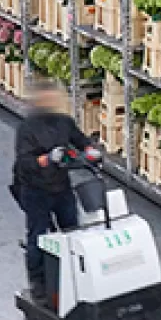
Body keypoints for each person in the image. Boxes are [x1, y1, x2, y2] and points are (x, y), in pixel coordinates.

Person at [13, 79, 99, 302]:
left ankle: (75, 277)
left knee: (73, 230)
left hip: (61, 187)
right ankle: (38, 284)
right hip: (35, 190)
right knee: (38, 236)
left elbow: (79, 139)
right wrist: (47, 159)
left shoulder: (63, 122)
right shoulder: (27, 129)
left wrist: (89, 151)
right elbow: (25, 162)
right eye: (47, 97)